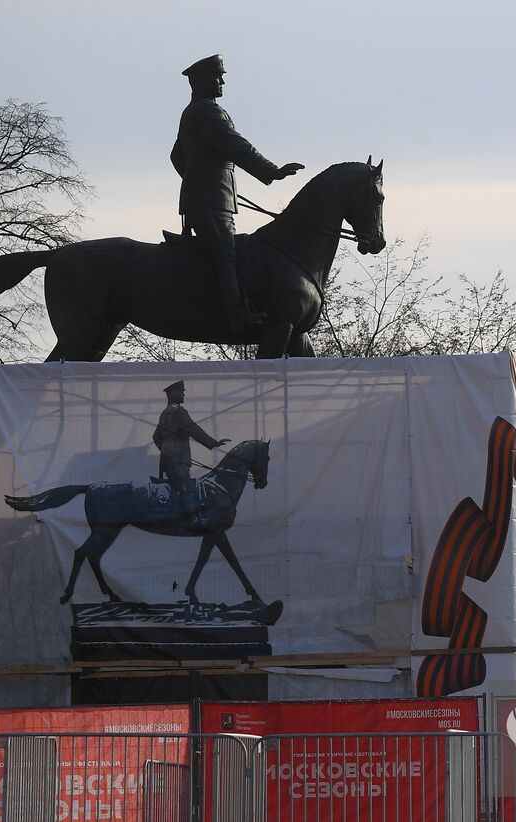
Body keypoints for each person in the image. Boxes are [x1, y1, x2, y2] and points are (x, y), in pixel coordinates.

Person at [171, 54, 304, 330]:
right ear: (202, 81)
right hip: (211, 201)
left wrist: (197, 180)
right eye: (217, 77)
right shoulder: (207, 112)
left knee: (226, 250)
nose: (222, 82)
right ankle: (236, 313)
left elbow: (175, 157)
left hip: (211, 199)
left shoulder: (194, 112)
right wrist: (271, 171)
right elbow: (236, 146)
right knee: (225, 251)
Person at [153, 380, 227, 526]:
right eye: (181, 392)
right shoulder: (178, 411)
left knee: (180, 487)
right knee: (186, 487)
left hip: (169, 459)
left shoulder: (165, 413)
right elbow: (193, 429)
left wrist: (165, 450)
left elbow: (156, 437)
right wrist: (213, 443)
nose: (184, 394)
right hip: (178, 458)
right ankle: (193, 519)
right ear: (173, 394)